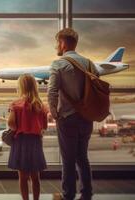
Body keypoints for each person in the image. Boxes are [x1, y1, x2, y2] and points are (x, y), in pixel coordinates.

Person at [48, 28, 99, 200]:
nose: (57, 46)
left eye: (58, 42)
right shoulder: (90, 64)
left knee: (68, 160)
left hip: (67, 118)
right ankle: (87, 194)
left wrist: (54, 113)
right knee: (82, 157)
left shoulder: (59, 64)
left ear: (62, 43)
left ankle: (68, 195)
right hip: (87, 117)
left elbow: (52, 91)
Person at [7, 74, 48, 200]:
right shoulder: (41, 106)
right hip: (35, 142)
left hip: (21, 141)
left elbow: (11, 124)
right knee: (35, 177)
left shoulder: (15, 104)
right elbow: (44, 126)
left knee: (23, 177)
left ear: (20, 87)